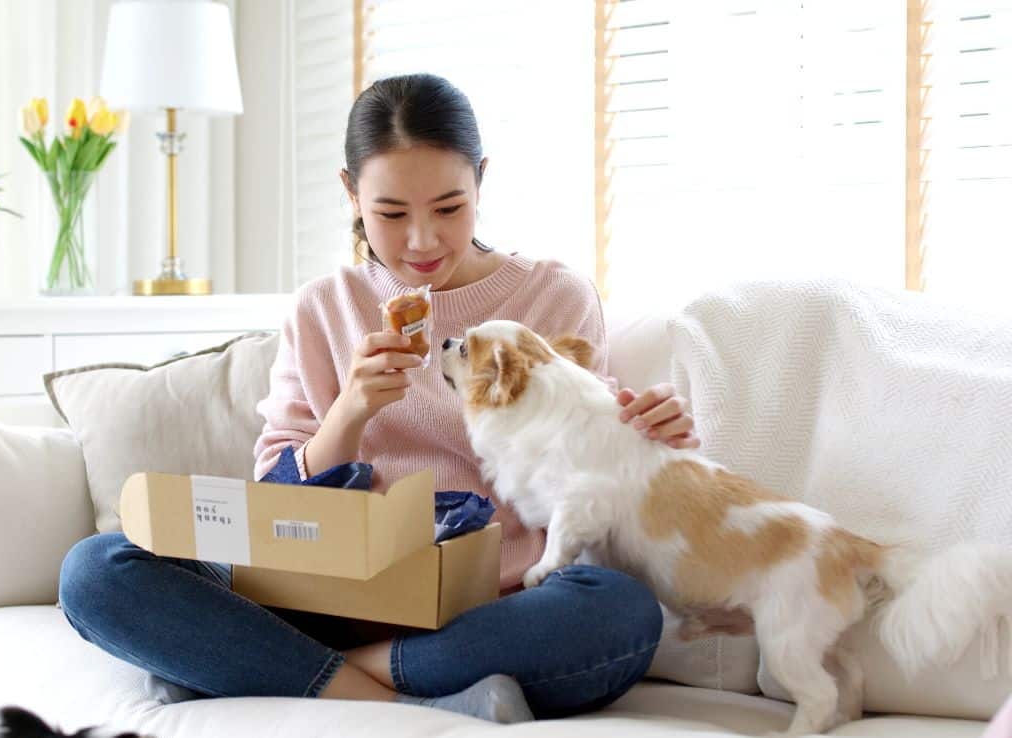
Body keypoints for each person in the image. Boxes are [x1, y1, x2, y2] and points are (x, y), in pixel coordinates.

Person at [58, 73, 700, 724]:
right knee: (97, 570)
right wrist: (351, 410)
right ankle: (399, 694)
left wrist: (646, 430)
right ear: (350, 191)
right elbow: (274, 502)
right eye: (391, 214)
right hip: (321, 592)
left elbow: (587, 453)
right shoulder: (322, 308)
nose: (422, 242)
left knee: (619, 611)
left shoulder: (552, 296)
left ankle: (263, 668)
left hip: (485, 605)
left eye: (449, 208)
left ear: (481, 181)